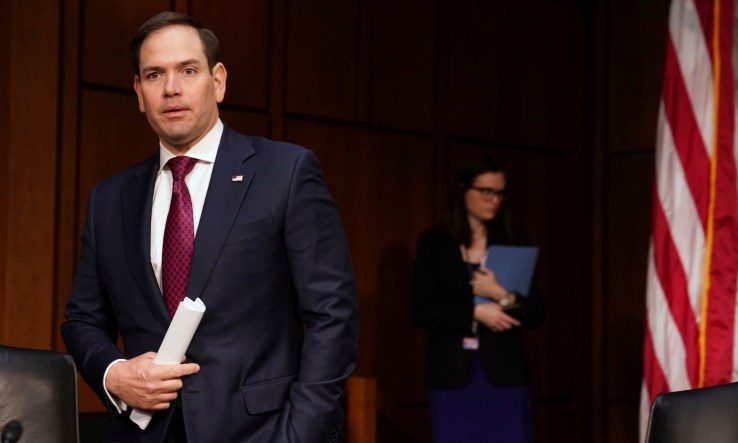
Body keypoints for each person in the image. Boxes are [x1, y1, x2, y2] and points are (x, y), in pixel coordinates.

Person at [61, 11, 357, 442]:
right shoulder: (109, 198)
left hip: (261, 432)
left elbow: (333, 314)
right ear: (139, 93)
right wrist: (114, 373)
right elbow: (81, 320)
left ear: (217, 81)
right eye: (154, 75)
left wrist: (302, 433)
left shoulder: (285, 172)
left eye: (188, 70)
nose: (171, 88)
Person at [412, 157, 544, 443]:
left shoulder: (514, 240)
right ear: (463, 190)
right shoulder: (435, 242)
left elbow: (535, 313)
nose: (494, 200)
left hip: (505, 374)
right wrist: (474, 314)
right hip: (453, 374)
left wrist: (501, 296)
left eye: (500, 193)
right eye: (486, 192)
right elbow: (421, 311)